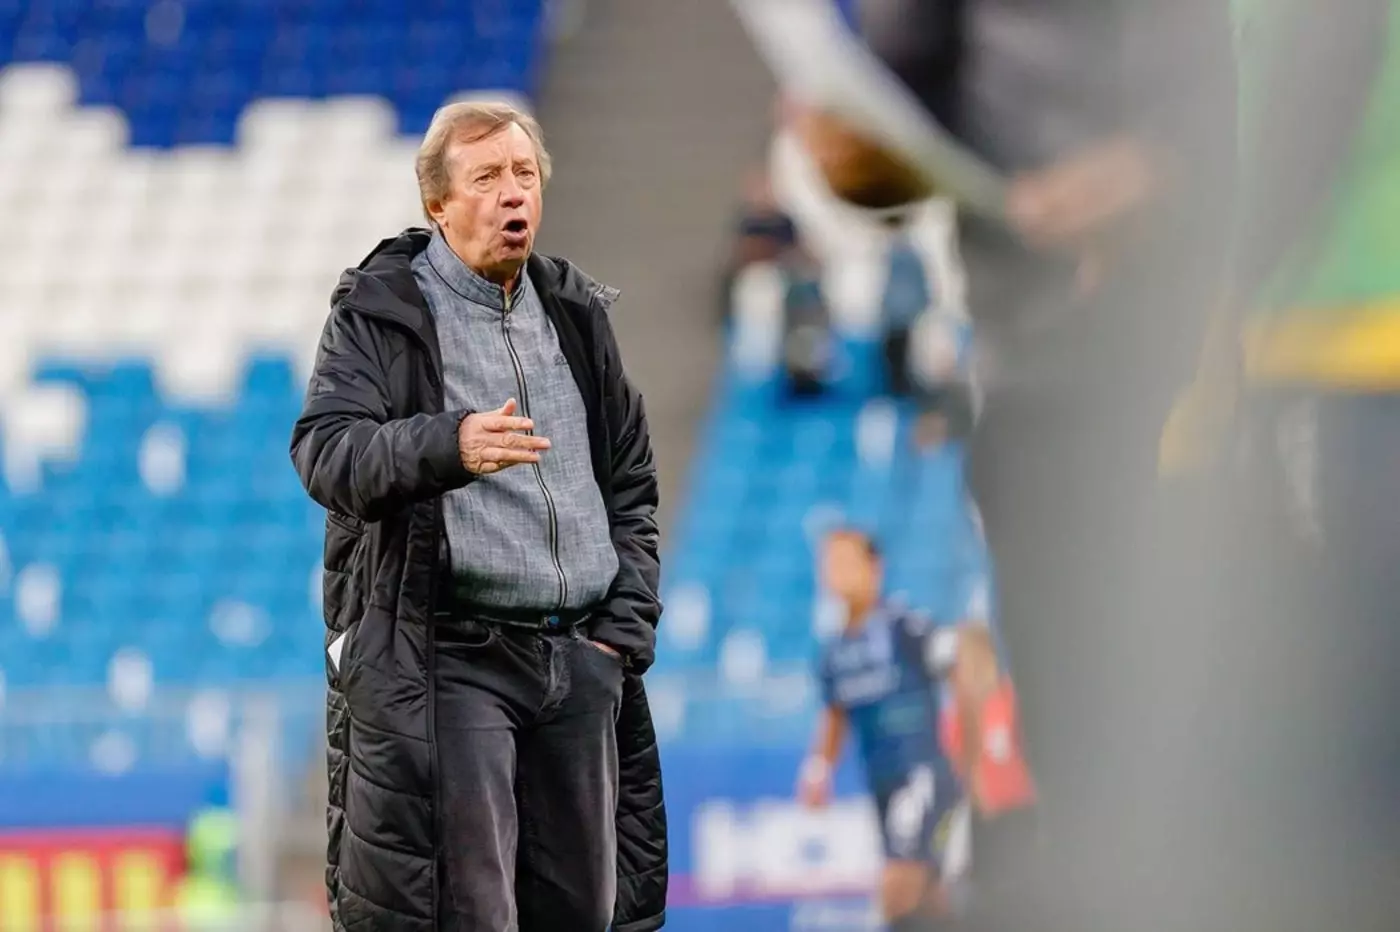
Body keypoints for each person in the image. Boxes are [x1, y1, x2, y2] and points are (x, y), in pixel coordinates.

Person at [762, 3, 1239, 930]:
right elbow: (908, 108)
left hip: (1219, 338)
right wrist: (852, 151)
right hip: (1038, 367)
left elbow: (1286, 79)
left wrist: (1165, 168)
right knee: (1079, 711)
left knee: (1213, 679)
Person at [290, 101, 667, 932]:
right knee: (473, 914)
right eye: (487, 177)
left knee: (583, 914)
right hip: (455, 659)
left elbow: (632, 482)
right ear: (438, 204)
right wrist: (449, 444)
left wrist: (617, 635)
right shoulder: (382, 313)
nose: (512, 193)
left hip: (579, 658)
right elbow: (326, 452)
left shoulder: (575, 313)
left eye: (524, 173)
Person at [797, 528, 965, 932]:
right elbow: (835, 714)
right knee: (930, 900)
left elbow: (960, 669)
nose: (837, 573)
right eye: (830, 564)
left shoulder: (904, 627)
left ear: (875, 568)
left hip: (921, 776)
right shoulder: (833, 650)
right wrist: (818, 769)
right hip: (882, 784)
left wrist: (970, 745)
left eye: (846, 561)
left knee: (897, 887)